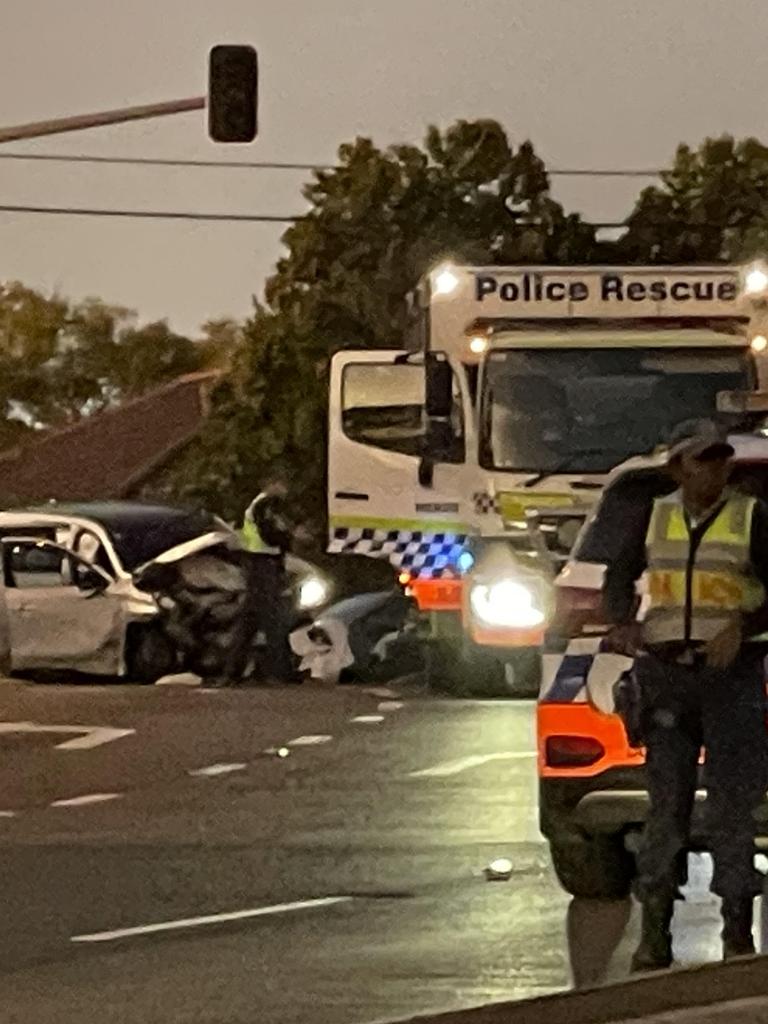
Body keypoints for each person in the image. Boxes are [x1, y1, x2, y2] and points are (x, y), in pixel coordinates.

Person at [603, 419, 768, 970]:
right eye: (703, 459)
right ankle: (655, 935)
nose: (714, 469)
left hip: (733, 679)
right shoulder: (653, 516)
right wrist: (621, 623)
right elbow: (618, 575)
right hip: (667, 676)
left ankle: (737, 935)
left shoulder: (751, 516)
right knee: (666, 807)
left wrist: (742, 627)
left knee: (732, 806)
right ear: (679, 467)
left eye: (721, 460)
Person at [224, 482, 296, 684]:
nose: (285, 490)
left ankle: (233, 672)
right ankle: (278, 672)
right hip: (262, 565)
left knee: (250, 621)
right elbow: (270, 535)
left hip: (260, 565)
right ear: (272, 485)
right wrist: (287, 537)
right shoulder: (264, 505)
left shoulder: (263, 505)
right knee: (272, 620)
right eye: (282, 485)